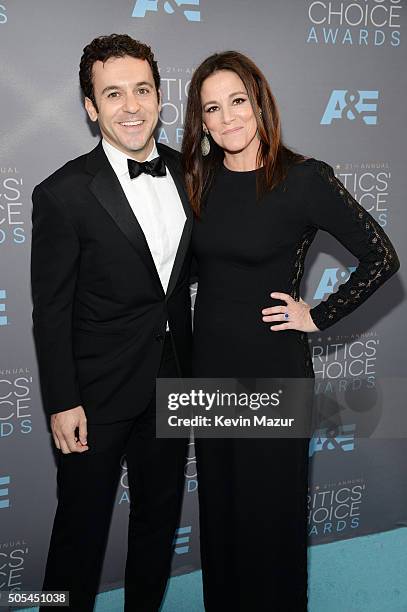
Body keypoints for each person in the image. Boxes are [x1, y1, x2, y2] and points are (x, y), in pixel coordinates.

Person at [182, 51, 400, 611]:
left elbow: (382, 257)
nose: (227, 117)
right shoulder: (196, 182)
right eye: (212, 108)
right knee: (223, 519)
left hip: (274, 369)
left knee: (270, 523)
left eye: (237, 101)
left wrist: (318, 313)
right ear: (200, 122)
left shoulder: (303, 178)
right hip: (209, 373)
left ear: (259, 103)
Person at [31, 34, 193, 612]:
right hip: (93, 396)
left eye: (142, 90)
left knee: (158, 521)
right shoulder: (63, 193)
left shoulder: (190, 172)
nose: (132, 106)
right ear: (91, 107)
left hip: (174, 384)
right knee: (78, 533)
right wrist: (61, 400)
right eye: (114, 93)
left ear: (158, 97)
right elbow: (50, 309)